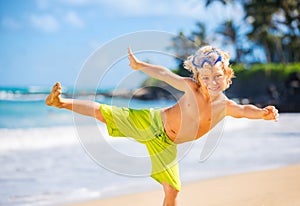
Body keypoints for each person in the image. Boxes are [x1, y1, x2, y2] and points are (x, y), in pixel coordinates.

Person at [46, 46, 279, 206]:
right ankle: (61, 102)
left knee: (173, 190)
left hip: (166, 145)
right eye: (205, 78)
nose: (211, 83)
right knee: (104, 113)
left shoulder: (225, 106)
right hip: (153, 123)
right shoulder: (191, 87)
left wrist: (262, 113)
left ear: (227, 76)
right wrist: (139, 66)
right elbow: (166, 75)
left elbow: (244, 111)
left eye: (217, 76)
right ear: (198, 78)